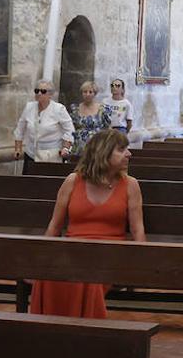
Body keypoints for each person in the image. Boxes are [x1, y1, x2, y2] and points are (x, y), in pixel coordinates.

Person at [30, 130, 146, 318]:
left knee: (88, 274)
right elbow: (54, 226)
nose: (129, 154)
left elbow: (137, 229)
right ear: (103, 152)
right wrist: (42, 259)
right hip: (74, 249)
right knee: (48, 275)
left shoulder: (130, 185)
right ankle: (52, 330)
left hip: (109, 253)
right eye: (122, 149)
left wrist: (138, 265)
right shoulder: (73, 181)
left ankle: (86, 332)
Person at [13, 79, 73, 170]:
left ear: (50, 94)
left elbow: (69, 130)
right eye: (37, 91)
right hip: (31, 153)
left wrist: (65, 148)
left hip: (51, 155)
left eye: (43, 91)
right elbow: (20, 129)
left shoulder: (59, 109)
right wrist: (18, 149)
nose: (39, 94)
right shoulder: (29, 107)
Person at [70, 80, 110, 156]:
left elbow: (107, 128)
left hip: (97, 146)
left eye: (90, 92)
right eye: (85, 92)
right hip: (79, 147)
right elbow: (72, 127)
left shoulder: (103, 109)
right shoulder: (75, 109)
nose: (87, 94)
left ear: (95, 94)